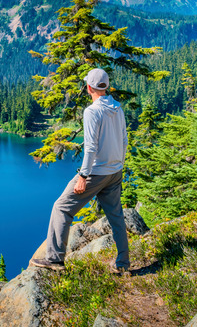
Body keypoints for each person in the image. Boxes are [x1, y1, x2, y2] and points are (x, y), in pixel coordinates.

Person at [30, 68, 129, 272]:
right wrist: (119, 164)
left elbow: (91, 147)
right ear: (106, 86)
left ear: (88, 88)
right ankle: (123, 264)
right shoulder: (117, 109)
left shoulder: (92, 111)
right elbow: (124, 139)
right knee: (116, 216)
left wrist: (83, 176)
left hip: (96, 172)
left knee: (61, 208)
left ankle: (55, 259)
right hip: (115, 171)